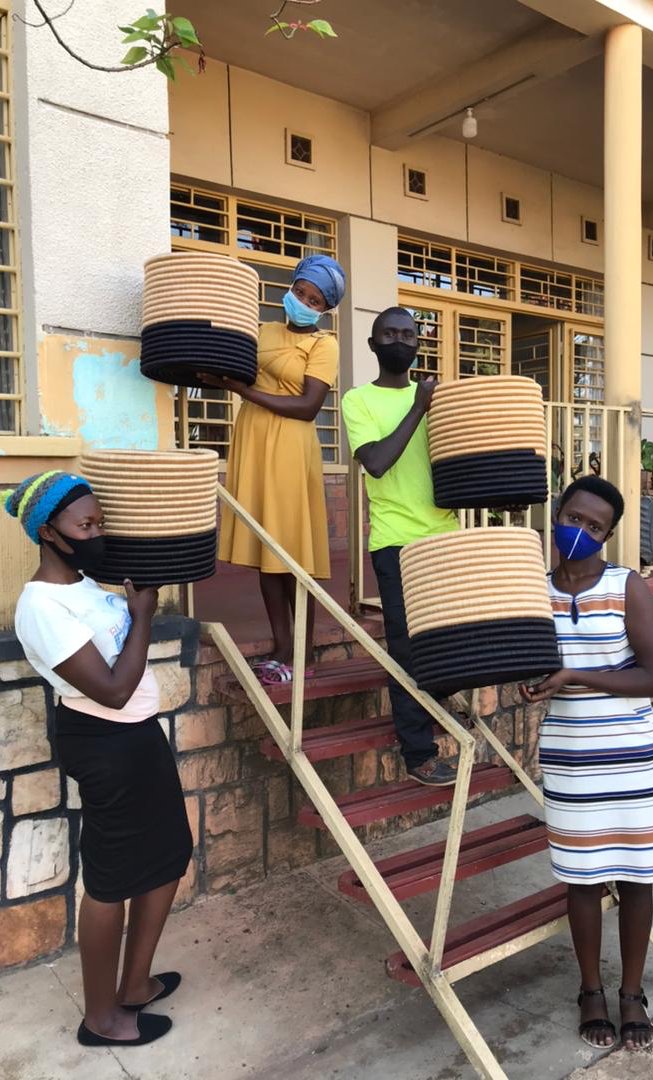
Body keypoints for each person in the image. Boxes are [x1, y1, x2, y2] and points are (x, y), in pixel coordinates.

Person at [4, 471, 192, 1048]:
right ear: (49, 534)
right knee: (111, 878)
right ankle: (100, 1017)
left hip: (137, 734)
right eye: (85, 525)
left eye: (99, 522)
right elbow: (109, 688)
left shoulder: (88, 586)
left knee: (169, 853)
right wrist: (141, 616)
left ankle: (134, 986)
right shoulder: (40, 605)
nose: (96, 534)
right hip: (102, 740)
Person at [521, 475, 653, 1052]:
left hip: (634, 761)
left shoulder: (626, 587)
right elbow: (531, 667)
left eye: (594, 527)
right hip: (570, 760)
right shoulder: (534, 592)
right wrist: (535, 685)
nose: (580, 532)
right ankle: (590, 991)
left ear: (608, 534)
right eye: (574, 518)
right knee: (582, 881)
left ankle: (631, 993)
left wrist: (575, 676)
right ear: (556, 514)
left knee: (637, 877)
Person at [198, 254, 346, 685]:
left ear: (326, 308)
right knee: (267, 555)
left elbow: (307, 406)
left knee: (291, 555)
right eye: (299, 291)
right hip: (254, 441)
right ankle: (282, 649)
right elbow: (231, 370)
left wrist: (245, 391)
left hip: (289, 448)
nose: (301, 301)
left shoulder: (323, 345)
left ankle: (302, 653)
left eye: (314, 299)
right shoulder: (261, 332)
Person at [341, 307, 459, 786]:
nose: (399, 341)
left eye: (408, 335)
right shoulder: (358, 400)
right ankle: (418, 753)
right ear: (373, 344)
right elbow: (376, 463)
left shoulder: (438, 397)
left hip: (445, 537)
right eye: (389, 334)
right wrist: (418, 408)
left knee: (452, 639)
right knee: (405, 649)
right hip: (395, 541)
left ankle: (438, 704)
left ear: (417, 345)